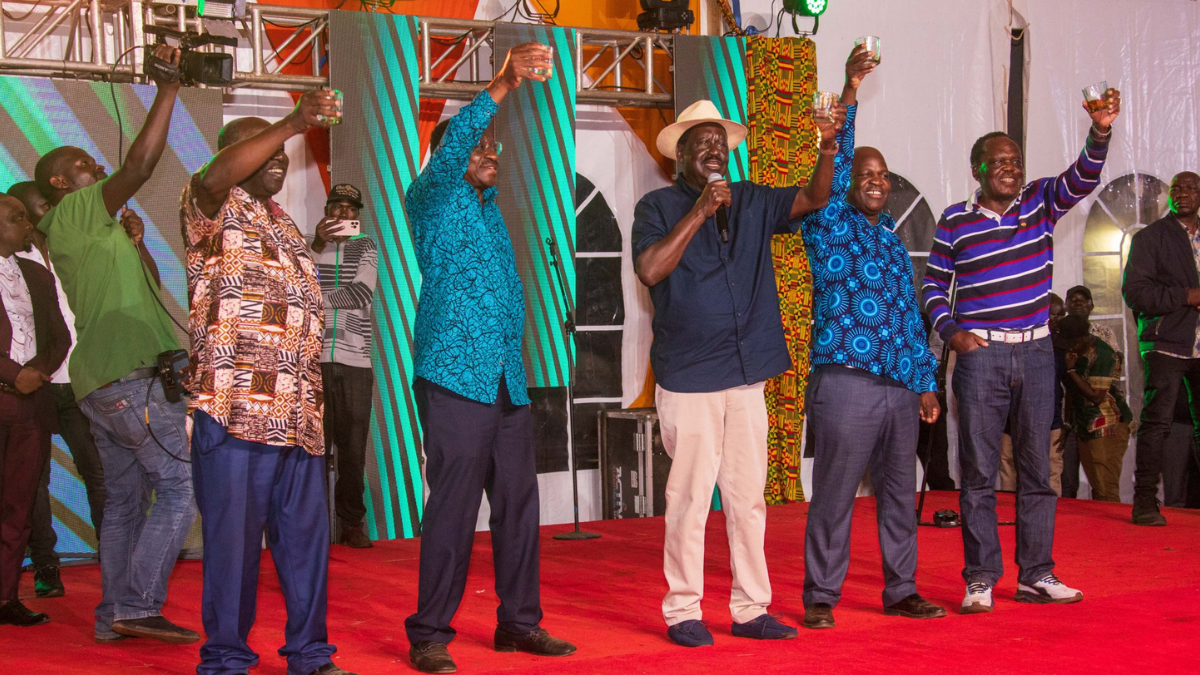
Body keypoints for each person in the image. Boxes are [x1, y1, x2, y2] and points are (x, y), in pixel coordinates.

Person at [632, 82, 844, 645]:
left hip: (748, 373)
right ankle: (683, 611)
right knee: (690, 499)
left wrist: (827, 147)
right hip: (691, 377)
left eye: (720, 142)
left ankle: (751, 608)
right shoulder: (656, 207)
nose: (713, 150)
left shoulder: (751, 198)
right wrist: (700, 212)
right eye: (701, 142)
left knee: (748, 498)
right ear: (679, 155)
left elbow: (814, 199)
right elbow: (651, 271)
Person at [403, 43, 576, 674]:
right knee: (452, 506)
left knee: (518, 505)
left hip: (506, 381)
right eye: (478, 147)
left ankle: (518, 623)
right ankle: (428, 633)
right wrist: (502, 84)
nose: (488, 156)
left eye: (492, 150)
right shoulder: (430, 199)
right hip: (453, 377)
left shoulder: (492, 214)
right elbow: (455, 149)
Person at [923, 86, 1120, 612]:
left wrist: (1099, 130)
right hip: (981, 356)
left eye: (1016, 160)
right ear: (977, 169)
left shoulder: (1039, 202)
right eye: (999, 161)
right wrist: (951, 332)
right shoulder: (954, 221)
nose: (1010, 168)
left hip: (1036, 355)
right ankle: (981, 577)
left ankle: (1037, 573)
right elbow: (931, 287)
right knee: (980, 471)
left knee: (1038, 470)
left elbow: (1083, 177)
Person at [181, 89, 356, 675]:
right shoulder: (209, 206)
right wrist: (291, 121)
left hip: (299, 419)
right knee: (233, 549)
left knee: (306, 548)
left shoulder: (280, 221)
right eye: (265, 151)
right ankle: (227, 658)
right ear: (231, 158)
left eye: (284, 153)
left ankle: (310, 653)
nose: (279, 159)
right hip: (235, 413)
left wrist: (319, 243)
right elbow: (213, 180)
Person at [35, 44, 198, 644]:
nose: (97, 171)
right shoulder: (72, 211)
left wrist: (136, 242)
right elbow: (139, 167)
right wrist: (169, 89)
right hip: (130, 379)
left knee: (127, 502)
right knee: (180, 489)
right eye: (85, 164)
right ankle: (136, 604)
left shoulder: (97, 228)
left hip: (113, 379)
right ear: (59, 182)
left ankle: (112, 617)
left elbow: (151, 294)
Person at [799, 45, 946, 630]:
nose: (877, 183)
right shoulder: (828, 223)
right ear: (850, 183)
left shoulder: (889, 238)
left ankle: (901, 587)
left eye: (884, 176)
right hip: (846, 384)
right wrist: (850, 88)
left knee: (898, 495)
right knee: (834, 495)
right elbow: (832, 172)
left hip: (899, 389)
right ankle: (821, 596)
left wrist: (925, 384)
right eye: (867, 175)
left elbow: (909, 316)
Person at [6, 181, 106, 599]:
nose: (37, 218)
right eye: (31, 210)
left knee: (99, 475)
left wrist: (40, 368)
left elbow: (63, 333)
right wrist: (20, 374)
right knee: (31, 487)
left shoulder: (69, 251)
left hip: (74, 383)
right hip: (27, 390)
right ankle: (45, 566)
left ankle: (116, 562)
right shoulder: (16, 260)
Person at [0, 194, 70, 626]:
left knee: (18, 505)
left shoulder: (35, 273)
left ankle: (5, 597)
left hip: (31, 402)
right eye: (16, 218)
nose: (27, 224)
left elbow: (59, 337)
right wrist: (11, 373)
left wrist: (37, 372)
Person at [1122, 171, 1200, 526]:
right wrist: (1186, 296)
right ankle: (1145, 503)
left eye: (1191, 188)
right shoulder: (1151, 237)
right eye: (1176, 188)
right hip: (1166, 342)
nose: (1182, 193)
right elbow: (1135, 293)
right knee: (1157, 424)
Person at [312, 183, 377, 549]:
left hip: (355, 360)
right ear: (326, 211)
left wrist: (314, 301)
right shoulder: (309, 246)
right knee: (315, 449)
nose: (343, 214)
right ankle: (315, 526)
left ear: (358, 215)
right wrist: (318, 245)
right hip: (315, 361)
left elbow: (360, 293)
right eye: (336, 207)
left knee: (352, 450)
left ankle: (351, 523)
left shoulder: (365, 246)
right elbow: (294, 282)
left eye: (350, 209)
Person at [999, 293, 1070, 495]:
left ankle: (1053, 518)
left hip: (1050, 421)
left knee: (1051, 471)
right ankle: (1007, 515)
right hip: (1011, 420)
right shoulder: (1015, 339)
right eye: (1053, 315)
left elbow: (1067, 388)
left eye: (1061, 315)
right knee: (1009, 469)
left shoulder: (1062, 345)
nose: (1057, 320)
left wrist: (1066, 422)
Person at [1058, 315, 1132, 503]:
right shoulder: (1075, 353)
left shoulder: (1104, 354)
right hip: (1084, 425)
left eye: (1072, 343)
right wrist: (1068, 424)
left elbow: (1096, 396)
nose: (1069, 347)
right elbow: (1071, 391)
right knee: (1098, 488)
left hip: (1108, 425)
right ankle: (1103, 531)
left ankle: (1116, 532)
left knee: (1107, 489)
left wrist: (1071, 371)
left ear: (1083, 338)